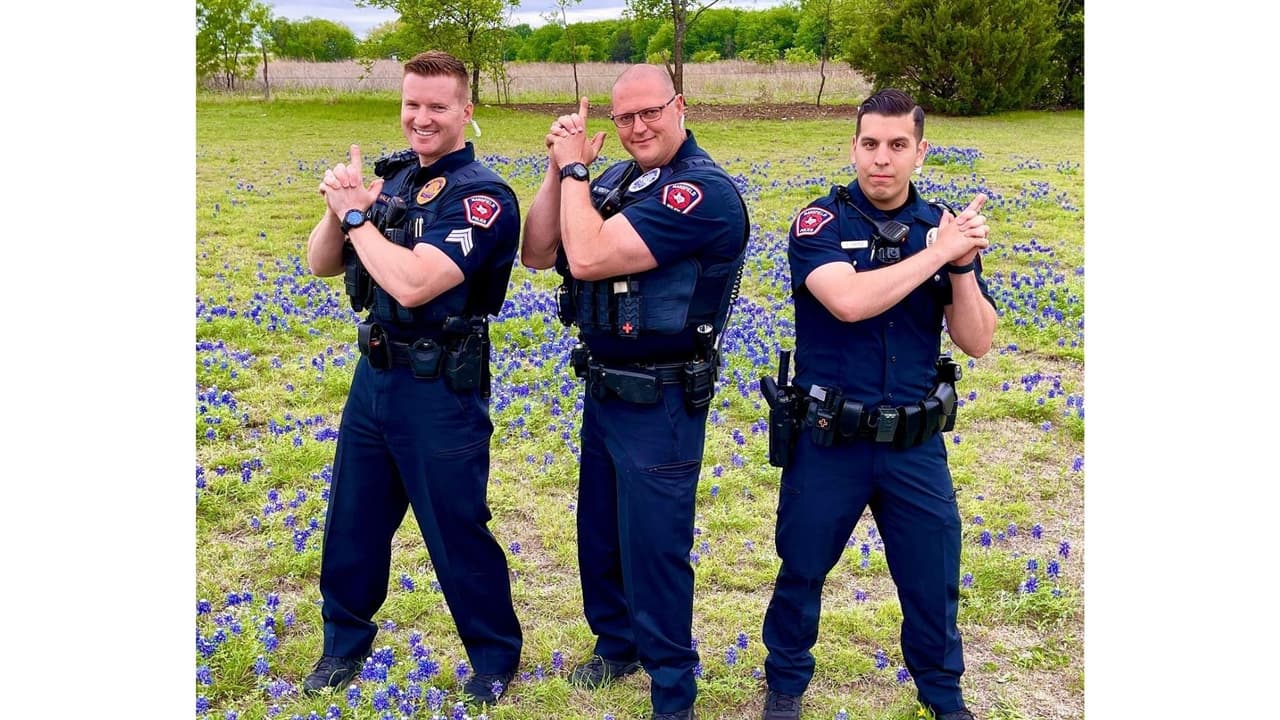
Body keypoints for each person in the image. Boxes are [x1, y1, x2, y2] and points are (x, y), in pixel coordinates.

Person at [757, 88, 997, 720]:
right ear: (853, 147)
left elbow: (977, 340)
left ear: (921, 151)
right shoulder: (820, 223)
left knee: (933, 579)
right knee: (802, 569)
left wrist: (962, 266)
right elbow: (849, 302)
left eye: (896, 145)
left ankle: (943, 696)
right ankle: (785, 685)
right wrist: (938, 253)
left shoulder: (942, 227)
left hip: (914, 443)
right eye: (869, 144)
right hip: (830, 438)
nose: (881, 159)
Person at [520, 65, 749, 720]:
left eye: (650, 111)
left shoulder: (700, 193)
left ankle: (673, 688)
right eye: (624, 117)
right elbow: (538, 252)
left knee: (654, 547)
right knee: (600, 533)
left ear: (680, 106)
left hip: (663, 397)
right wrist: (558, 169)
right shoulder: (619, 179)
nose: (638, 127)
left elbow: (590, 257)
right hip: (605, 387)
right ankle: (617, 645)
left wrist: (576, 173)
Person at [302, 50, 522, 705]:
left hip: (440, 385)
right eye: (412, 104)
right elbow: (321, 264)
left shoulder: (482, 196)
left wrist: (357, 218)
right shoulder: (394, 179)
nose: (421, 118)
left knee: (456, 528)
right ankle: (343, 644)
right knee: (353, 521)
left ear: (465, 111)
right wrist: (337, 206)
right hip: (375, 375)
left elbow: (415, 283)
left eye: (437, 106)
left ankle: (493, 657)